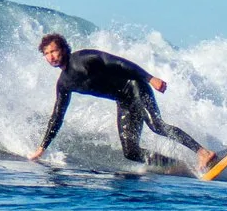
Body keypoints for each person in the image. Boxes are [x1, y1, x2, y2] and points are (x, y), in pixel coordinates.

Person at [27, 32, 216, 172]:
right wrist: (41, 148)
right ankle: (176, 166)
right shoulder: (64, 84)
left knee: (156, 125)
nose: (51, 56)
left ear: (63, 49)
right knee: (130, 151)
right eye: (46, 54)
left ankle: (202, 152)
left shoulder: (84, 58)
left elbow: (119, 63)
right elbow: (57, 116)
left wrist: (150, 78)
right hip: (124, 101)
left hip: (135, 86)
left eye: (54, 51)